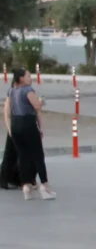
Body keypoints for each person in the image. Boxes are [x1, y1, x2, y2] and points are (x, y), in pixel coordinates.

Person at [3, 69, 55, 200]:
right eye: (28, 76)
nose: (30, 78)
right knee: (38, 155)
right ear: (21, 78)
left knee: (22, 156)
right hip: (27, 123)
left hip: (15, 124)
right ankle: (45, 186)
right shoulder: (28, 90)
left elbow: (8, 110)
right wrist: (41, 101)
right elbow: (36, 106)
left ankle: (26, 186)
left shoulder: (11, 91)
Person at [1, 77, 22, 190]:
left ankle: (16, 178)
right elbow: (6, 112)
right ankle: (4, 179)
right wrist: (9, 129)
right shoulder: (11, 93)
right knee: (9, 155)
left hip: (22, 127)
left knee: (20, 155)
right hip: (13, 127)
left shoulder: (26, 93)